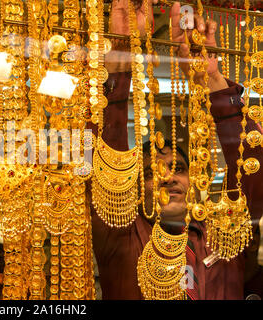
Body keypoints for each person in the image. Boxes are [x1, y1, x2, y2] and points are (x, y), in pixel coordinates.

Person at [89, 0, 263, 300]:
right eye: (151, 172)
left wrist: (212, 80)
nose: (168, 178)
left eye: (178, 169)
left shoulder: (226, 239)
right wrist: (119, 55)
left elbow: (255, 169)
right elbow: (102, 157)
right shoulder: (118, 236)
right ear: (131, 189)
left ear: (193, 181)